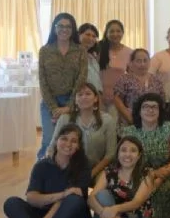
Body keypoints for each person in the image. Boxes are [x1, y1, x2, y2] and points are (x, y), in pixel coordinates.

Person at [4, 124, 93, 218]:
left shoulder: (83, 166)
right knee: (11, 202)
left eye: (74, 141)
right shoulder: (42, 166)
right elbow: (32, 198)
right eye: (64, 138)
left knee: (75, 200)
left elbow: (70, 201)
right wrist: (63, 193)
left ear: (79, 146)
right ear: (56, 140)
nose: (68, 144)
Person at [78, 136, 156, 218]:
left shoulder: (147, 173)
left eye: (133, 150)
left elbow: (137, 203)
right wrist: (103, 212)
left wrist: (114, 209)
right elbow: (91, 199)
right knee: (102, 194)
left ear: (139, 155)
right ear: (118, 153)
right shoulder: (108, 172)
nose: (127, 154)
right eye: (123, 150)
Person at [122, 93, 170, 218]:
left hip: (168, 172)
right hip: (137, 173)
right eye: (146, 107)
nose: (150, 110)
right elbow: (124, 160)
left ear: (160, 111)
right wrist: (148, 176)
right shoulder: (128, 131)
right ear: (139, 111)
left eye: (154, 107)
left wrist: (160, 176)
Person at [38, 12, 88, 159]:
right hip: (49, 103)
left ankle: (68, 178)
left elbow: (81, 78)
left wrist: (69, 106)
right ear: (54, 28)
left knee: (70, 143)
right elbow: (43, 80)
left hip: (73, 101)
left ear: (73, 30)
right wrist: (54, 108)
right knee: (49, 141)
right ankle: (41, 177)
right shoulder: (45, 51)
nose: (64, 29)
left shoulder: (80, 51)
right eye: (60, 26)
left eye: (68, 26)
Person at [48, 82, 117, 179]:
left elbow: (110, 154)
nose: (83, 97)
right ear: (75, 100)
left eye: (88, 94)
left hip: (97, 169)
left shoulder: (108, 120)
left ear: (96, 98)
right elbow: (52, 147)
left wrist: (91, 174)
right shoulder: (64, 119)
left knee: (102, 190)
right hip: (67, 168)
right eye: (80, 94)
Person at [113, 49, 165, 127]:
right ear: (132, 63)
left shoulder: (156, 80)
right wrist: (130, 118)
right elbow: (117, 100)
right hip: (129, 122)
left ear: (149, 62)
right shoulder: (124, 79)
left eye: (145, 60)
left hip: (152, 122)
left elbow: (162, 101)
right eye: (138, 61)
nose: (142, 64)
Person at [98, 20, 133, 118]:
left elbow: (131, 76)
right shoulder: (98, 49)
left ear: (123, 33)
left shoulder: (129, 52)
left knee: (114, 128)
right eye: (111, 31)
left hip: (118, 99)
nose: (115, 34)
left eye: (118, 31)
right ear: (106, 33)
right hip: (98, 97)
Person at [77, 23, 102, 93]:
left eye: (94, 36)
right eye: (87, 34)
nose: (91, 38)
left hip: (94, 98)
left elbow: (96, 80)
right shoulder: (73, 54)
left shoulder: (92, 57)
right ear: (79, 35)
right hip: (80, 97)